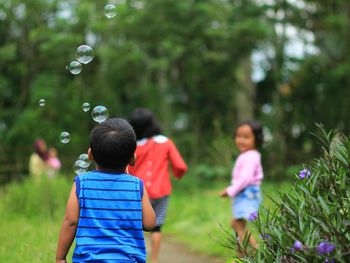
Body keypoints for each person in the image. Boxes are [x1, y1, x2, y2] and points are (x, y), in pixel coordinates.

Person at [56, 118, 156, 263]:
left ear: (90, 154)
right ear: (133, 159)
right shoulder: (136, 186)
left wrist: (60, 258)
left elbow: (71, 221)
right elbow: (149, 223)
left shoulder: (81, 183)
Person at [128, 108, 188, 263]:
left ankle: (135, 258)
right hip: (161, 191)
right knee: (157, 227)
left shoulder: (133, 145)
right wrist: (177, 175)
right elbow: (180, 166)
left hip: (137, 192)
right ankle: (154, 260)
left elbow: (127, 168)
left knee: (136, 226)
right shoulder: (165, 142)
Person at [220, 120, 264, 256]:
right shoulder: (247, 155)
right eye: (238, 136)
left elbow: (245, 178)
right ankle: (243, 255)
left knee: (238, 225)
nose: (241, 140)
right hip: (244, 195)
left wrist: (230, 190)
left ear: (256, 139)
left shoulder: (250, 156)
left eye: (246, 137)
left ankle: (255, 254)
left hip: (247, 194)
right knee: (237, 225)